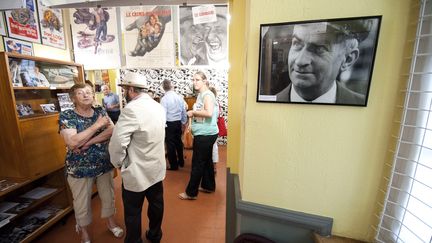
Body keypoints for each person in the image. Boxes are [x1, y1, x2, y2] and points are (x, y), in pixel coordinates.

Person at [58, 83, 123, 243]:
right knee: (81, 202)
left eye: (89, 92)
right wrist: (97, 126)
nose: (86, 95)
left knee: (108, 196)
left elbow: (112, 130)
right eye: (81, 93)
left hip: (103, 163)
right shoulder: (67, 116)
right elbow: (72, 142)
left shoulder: (100, 111)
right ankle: (85, 233)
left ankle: (111, 223)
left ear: (94, 95)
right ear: (73, 98)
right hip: (79, 168)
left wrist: (87, 142)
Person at [108, 72, 166, 243]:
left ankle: (134, 240)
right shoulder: (158, 106)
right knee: (156, 205)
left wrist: (117, 163)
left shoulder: (131, 109)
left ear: (131, 89)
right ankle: (155, 235)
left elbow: (118, 142)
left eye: (125, 89)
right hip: (156, 167)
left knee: (133, 210)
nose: (125, 92)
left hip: (137, 170)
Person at [276, 20, 371, 104]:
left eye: (319, 48)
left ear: (347, 60)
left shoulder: (366, 107)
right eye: (296, 44)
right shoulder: (268, 106)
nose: (300, 61)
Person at [179, 71, 218, 200]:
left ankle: (191, 193)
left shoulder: (207, 95)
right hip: (204, 133)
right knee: (206, 161)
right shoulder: (202, 95)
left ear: (205, 81)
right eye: (193, 79)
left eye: (197, 80)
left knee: (197, 163)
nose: (194, 82)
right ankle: (208, 185)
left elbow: (208, 112)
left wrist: (193, 112)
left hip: (205, 134)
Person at [160, 79, 188, 170]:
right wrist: (183, 123)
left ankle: (174, 165)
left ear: (164, 88)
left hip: (169, 124)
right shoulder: (179, 97)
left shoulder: (164, 99)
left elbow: (163, 114)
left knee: (170, 145)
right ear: (172, 86)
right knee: (179, 142)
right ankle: (181, 162)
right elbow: (184, 111)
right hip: (178, 122)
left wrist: (162, 126)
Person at [209, 87, 220, 174]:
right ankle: (215, 167)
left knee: (208, 149)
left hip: (208, 129)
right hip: (215, 128)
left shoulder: (209, 104)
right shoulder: (217, 104)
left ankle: (208, 167)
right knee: (214, 148)